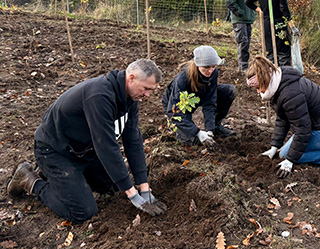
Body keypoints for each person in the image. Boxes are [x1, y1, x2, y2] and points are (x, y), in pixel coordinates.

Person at [7, 59, 167, 224]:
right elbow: (106, 147)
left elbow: (133, 140)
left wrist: (144, 188)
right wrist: (133, 195)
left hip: (83, 150)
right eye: (146, 89)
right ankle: (31, 180)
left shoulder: (130, 98)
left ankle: (63, 179)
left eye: (151, 90)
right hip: (55, 151)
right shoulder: (99, 96)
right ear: (131, 78)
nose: (147, 95)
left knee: (113, 187)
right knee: (84, 212)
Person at [246, 55, 320, 178]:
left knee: (286, 154)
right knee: (285, 151)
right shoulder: (279, 83)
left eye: (258, 87)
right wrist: (274, 147)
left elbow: (303, 130)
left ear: (265, 80)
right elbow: (282, 119)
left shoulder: (290, 94)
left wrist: (290, 160)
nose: (258, 92)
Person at [162, 46, 236, 148]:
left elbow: (210, 101)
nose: (210, 71)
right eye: (206, 67)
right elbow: (173, 111)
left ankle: (216, 126)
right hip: (180, 104)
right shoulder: (183, 78)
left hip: (197, 97)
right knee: (190, 141)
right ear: (198, 65)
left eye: (213, 66)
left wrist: (210, 129)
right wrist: (197, 132)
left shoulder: (213, 73)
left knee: (229, 90)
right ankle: (182, 132)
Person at [245, 0, 298, 66]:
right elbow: (284, 8)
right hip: (279, 25)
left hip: (267, 25)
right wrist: (291, 24)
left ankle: (271, 77)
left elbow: (247, 1)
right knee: (283, 53)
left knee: (270, 54)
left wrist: (258, 9)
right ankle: (283, 77)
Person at [225, 0, 256, 73]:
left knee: (246, 44)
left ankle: (245, 66)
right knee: (242, 43)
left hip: (248, 20)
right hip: (240, 20)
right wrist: (240, 13)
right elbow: (230, 2)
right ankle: (242, 68)